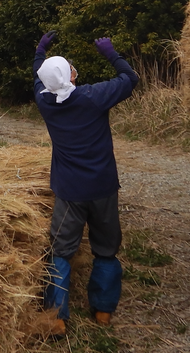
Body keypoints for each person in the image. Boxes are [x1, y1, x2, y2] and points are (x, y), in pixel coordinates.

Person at [33, 31, 139, 336]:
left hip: (69, 191)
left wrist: (40, 51)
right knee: (106, 249)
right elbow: (130, 78)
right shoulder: (93, 96)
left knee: (61, 251)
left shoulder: (45, 101)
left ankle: (56, 318)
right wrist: (110, 52)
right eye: (70, 66)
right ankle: (103, 311)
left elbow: (39, 76)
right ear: (69, 76)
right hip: (103, 186)